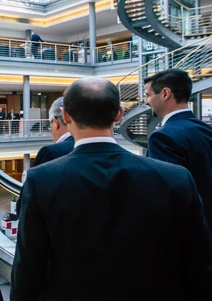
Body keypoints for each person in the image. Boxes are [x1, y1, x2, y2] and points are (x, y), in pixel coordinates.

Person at [11, 77, 212, 300]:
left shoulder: (40, 181)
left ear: (66, 116)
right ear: (119, 113)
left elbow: (28, 268)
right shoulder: (176, 177)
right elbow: (199, 263)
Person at [145, 69, 212, 229]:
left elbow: (166, 195)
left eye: (148, 95)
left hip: (190, 234)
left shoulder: (163, 137)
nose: (147, 102)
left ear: (165, 93)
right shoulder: (207, 130)